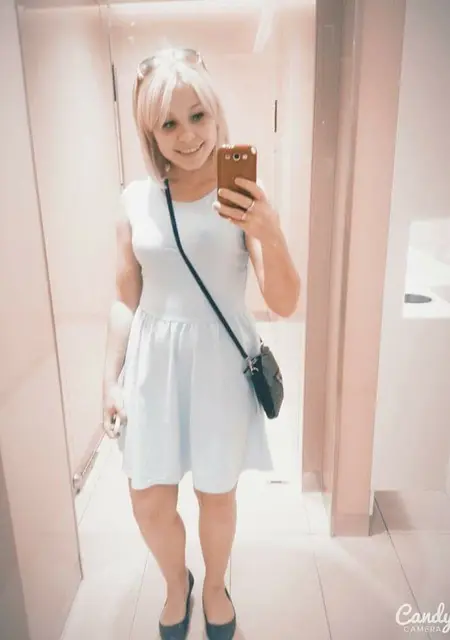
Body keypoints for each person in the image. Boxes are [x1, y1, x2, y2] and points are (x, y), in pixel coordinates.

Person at [102, 47, 300, 640]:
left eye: (198, 116)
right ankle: (176, 583)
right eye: (169, 123)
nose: (188, 136)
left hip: (218, 363)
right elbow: (124, 299)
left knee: (217, 494)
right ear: (150, 133)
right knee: (148, 500)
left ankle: (214, 586)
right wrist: (109, 379)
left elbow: (284, 302)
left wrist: (270, 231)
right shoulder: (135, 200)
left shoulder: (242, 197)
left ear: (216, 115)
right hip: (152, 365)